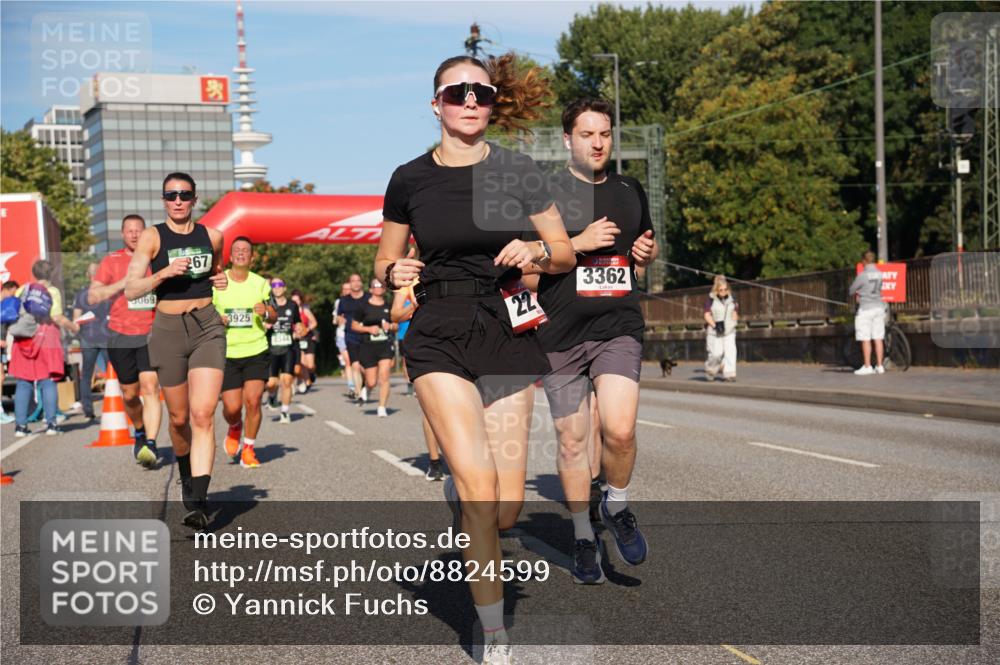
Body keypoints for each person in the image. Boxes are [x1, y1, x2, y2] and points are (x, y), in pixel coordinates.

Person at [375, 53, 574, 662]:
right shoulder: (409, 179)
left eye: (480, 94)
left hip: (505, 328)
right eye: (457, 92)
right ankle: (492, 635)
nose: (469, 101)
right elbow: (384, 264)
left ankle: (466, 503)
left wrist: (534, 250)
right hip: (436, 330)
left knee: (505, 506)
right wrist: (394, 271)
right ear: (435, 103)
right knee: (481, 486)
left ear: (491, 104)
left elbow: (565, 254)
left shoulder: (518, 171)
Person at [525, 97, 657, 583]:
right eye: (587, 134)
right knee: (572, 440)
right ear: (568, 140)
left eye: (604, 134)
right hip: (559, 334)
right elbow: (524, 264)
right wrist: (576, 244)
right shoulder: (546, 194)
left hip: (617, 326)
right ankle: (583, 536)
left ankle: (616, 504)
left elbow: (643, 249)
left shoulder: (629, 188)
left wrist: (646, 251)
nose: (598, 143)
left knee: (619, 431)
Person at [124, 173, 228, 529]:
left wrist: (222, 279)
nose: (178, 201)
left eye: (184, 195)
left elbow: (216, 271)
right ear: (163, 200)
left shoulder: (213, 236)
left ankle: (198, 500)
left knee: (202, 414)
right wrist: (163, 273)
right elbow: (131, 290)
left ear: (195, 198)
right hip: (167, 331)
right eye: (171, 195)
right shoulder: (152, 237)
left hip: (207, 327)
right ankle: (186, 471)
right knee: (180, 419)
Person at [89, 215, 163, 467]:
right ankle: (140, 430)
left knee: (151, 386)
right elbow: (93, 296)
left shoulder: (156, 259)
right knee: (130, 394)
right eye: (129, 231)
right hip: (120, 334)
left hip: (152, 333)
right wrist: (123, 283)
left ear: (145, 234)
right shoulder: (111, 261)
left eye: (138, 231)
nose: (133, 235)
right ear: (122, 235)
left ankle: (151, 443)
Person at [213, 236, 274, 469]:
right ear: (230, 256)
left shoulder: (260, 284)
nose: (241, 253)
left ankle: (248, 448)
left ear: (251, 257)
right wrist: (217, 319)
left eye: (245, 250)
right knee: (232, 408)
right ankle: (234, 426)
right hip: (227, 352)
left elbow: (274, 314)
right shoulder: (219, 282)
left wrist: (266, 312)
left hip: (256, 349)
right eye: (237, 250)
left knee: (254, 400)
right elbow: (205, 310)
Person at [9, 260, 79, 436]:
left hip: (24, 338)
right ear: (51, 274)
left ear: (34, 273)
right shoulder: (52, 291)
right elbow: (56, 316)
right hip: (45, 337)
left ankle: (21, 426)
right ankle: (51, 424)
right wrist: (74, 327)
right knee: (47, 382)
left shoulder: (22, 289)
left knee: (23, 382)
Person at [391, 278, 444, 480]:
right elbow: (395, 314)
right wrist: (415, 304)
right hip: (426, 344)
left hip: (459, 341)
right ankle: (435, 461)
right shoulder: (409, 280)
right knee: (432, 406)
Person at [351, 278, 396, 417]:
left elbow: (396, 325)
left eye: (381, 285)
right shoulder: (363, 307)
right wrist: (369, 329)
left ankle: (382, 407)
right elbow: (354, 326)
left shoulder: (389, 306)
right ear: (370, 289)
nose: (379, 287)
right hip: (368, 346)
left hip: (385, 346)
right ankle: (368, 388)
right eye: (376, 285)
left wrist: (390, 326)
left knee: (385, 376)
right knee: (372, 381)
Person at [72, 262, 111, 423]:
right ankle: (122, 405)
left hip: (88, 338)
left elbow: (76, 320)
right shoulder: (109, 293)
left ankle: (88, 411)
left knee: (86, 375)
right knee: (114, 373)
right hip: (107, 337)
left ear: (88, 276)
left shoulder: (81, 294)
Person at [264, 276, 303, 424]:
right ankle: (272, 396)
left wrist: (298, 328)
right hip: (271, 349)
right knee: (271, 383)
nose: (277, 287)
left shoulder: (292, 305)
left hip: (288, 348)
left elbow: (298, 322)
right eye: (274, 285)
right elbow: (258, 324)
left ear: (285, 288)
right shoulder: (267, 305)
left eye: (280, 284)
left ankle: (285, 412)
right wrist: (264, 326)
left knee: (287, 381)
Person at [849, 250, 886, 375]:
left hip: (866, 308)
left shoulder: (863, 275)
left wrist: (860, 293)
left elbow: (851, 290)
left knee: (865, 338)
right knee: (878, 337)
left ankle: (867, 365)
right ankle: (880, 366)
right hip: (879, 307)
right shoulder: (880, 274)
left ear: (864, 261)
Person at [336, 274, 367, 401]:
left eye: (358, 280)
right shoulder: (344, 300)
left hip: (367, 335)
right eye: (353, 281)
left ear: (361, 283)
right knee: (354, 364)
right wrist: (340, 320)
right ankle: (359, 393)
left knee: (365, 367)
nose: (355, 283)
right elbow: (338, 316)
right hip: (351, 335)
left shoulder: (368, 298)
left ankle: (365, 384)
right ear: (350, 283)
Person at [704, 275, 739, 382]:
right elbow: (707, 315)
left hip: (729, 330)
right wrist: (715, 325)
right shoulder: (711, 299)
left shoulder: (732, 299)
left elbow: (735, 312)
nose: (723, 292)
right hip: (716, 330)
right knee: (716, 354)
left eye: (725, 289)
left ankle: (729, 374)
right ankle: (710, 369)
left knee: (730, 351)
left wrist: (735, 320)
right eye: (721, 290)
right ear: (716, 290)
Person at [1, 280, 21, 424]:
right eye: (14, 292)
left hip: (2, 345)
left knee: (1, 377)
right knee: (0, 377)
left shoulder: (6, 304)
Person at [290, 289, 318, 394]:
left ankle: (311, 375)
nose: (296, 302)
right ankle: (305, 381)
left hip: (307, 338)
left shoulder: (305, 310)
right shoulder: (289, 311)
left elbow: (314, 322)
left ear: (300, 300)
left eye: (297, 300)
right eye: (293, 300)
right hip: (297, 339)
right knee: (302, 363)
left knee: (310, 365)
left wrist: (307, 329)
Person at [333, 282, 354, 396]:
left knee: (358, 362)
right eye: (345, 289)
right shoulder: (339, 302)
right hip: (342, 334)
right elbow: (335, 319)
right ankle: (351, 386)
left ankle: (361, 383)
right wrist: (339, 319)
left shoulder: (359, 301)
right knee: (348, 361)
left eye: (349, 289)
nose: (347, 291)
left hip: (356, 335)